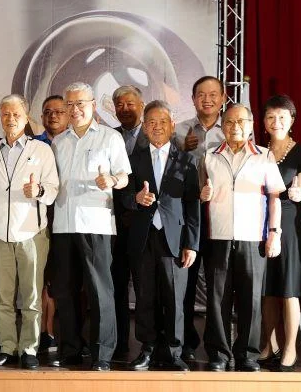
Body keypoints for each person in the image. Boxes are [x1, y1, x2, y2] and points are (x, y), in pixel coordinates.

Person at [49, 82, 131, 371]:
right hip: (63, 225)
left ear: (93, 105)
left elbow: (124, 176)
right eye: (70, 104)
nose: (75, 109)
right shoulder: (58, 142)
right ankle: (70, 349)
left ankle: (102, 354)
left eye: (80, 103)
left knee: (99, 291)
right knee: (65, 291)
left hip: (97, 224)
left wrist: (112, 180)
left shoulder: (110, 137)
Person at [200, 104, 285, 372]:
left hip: (253, 238)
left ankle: (247, 355)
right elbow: (200, 193)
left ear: (250, 125)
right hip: (218, 236)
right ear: (222, 126)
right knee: (217, 300)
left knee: (251, 299)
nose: (234, 127)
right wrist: (202, 194)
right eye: (229, 122)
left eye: (240, 122)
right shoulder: (209, 156)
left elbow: (274, 197)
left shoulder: (264, 156)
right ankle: (219, 354)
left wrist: (274, 233)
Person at [120, 100, 199, 372]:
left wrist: (191, 244)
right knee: (144, 297)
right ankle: (147, 349)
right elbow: (123, 197)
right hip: (143, 238)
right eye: (151, 122)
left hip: (174, 239)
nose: (157, 127)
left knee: (175, 298)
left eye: (162, 122)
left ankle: (174, 352)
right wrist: (135, 198)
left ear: (172, 125)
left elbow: (193, 206)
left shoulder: (187, 161)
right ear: (144, 127)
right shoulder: (134, 159)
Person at [0, 95, 59, 370]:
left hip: (31, 233)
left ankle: (29, 348)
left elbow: (53, 190)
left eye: (16, 114)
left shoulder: (41, 150)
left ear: (26, 118)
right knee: (3, 297)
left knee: (32, 296)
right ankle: (7, 346)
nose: (10, 119)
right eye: (6, 114)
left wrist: (38, 190)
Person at [256, 94, 301, 371]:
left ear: (292, 120)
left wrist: (299, 190)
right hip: (259, 222)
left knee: (289, 289)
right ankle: (269, 345)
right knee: (267, 288)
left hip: (289, 224)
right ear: (263, 121)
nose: (275, 121)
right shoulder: (258, 151)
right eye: (270, 116)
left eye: (282, 117)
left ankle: (290, 348)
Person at [173, 76, 227, 360]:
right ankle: (185, 342)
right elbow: (166, 168)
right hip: (188, 215)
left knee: (219, 284)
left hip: (220, 214)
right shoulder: (179, 130)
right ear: (193, 99)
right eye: (201, 95)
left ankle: (218, 346)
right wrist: (181, 150)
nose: (207, 99)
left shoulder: (232, 128)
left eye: (213, 94)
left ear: (223, 98)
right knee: (186, 281)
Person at [110, 85, 148, 359]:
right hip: (115, 225)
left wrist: (135, 210)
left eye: (130, 104)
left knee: (146, 288)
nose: (125, 109)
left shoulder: (155, 133)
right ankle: (119, 342)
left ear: (141, 105)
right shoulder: (108, 137)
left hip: (146, 224)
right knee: (116, 286)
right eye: (119, 105)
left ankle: (148, 344)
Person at [35, 95, 68, 352]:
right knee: (43, 279)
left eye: (59, 111)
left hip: (69, 219)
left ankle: (68, 334)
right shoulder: (33, 145)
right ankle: (46, 332)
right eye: (48, 112)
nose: (53, 116)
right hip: (40, 220)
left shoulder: (75, 142)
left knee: (67, 279)